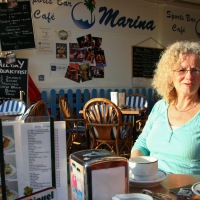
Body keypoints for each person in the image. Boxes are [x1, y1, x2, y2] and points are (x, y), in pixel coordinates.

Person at [131, 41, 200, 174]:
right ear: (170, 76)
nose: (189, 76)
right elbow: (142, 143)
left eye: (195, 70)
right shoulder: (160, 106)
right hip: (151, 184)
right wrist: (138, 168)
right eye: (182, 70)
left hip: (188, 192)